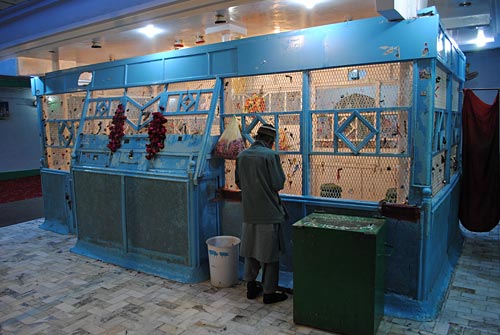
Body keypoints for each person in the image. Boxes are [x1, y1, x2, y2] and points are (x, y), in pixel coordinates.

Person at [235, 124, 288, 304]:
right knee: (270, 256)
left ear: (257, 137)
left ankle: (251, 286)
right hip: (269, 213)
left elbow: (239, 183)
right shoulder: (270, 156)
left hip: (249, 212)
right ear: (270, 141)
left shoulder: (242, 156)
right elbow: (278, 183)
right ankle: (269, 292)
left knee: (250, 251)